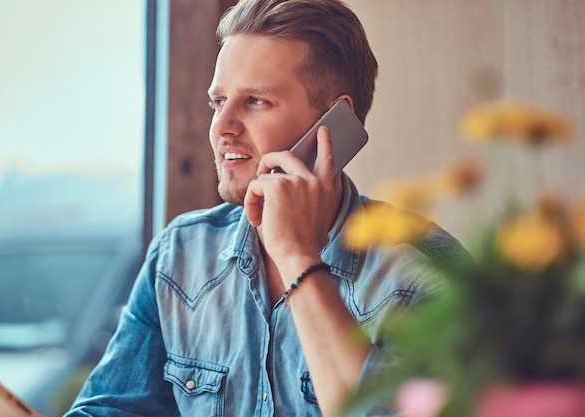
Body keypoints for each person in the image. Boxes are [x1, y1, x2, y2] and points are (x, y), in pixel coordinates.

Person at [65, 1, 469, 416]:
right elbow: (110, 409)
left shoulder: (426, 271)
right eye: (217, 102)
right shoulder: (180, 254)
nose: (222, 127)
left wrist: (298, 257)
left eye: (256, 101)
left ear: (333, 127)